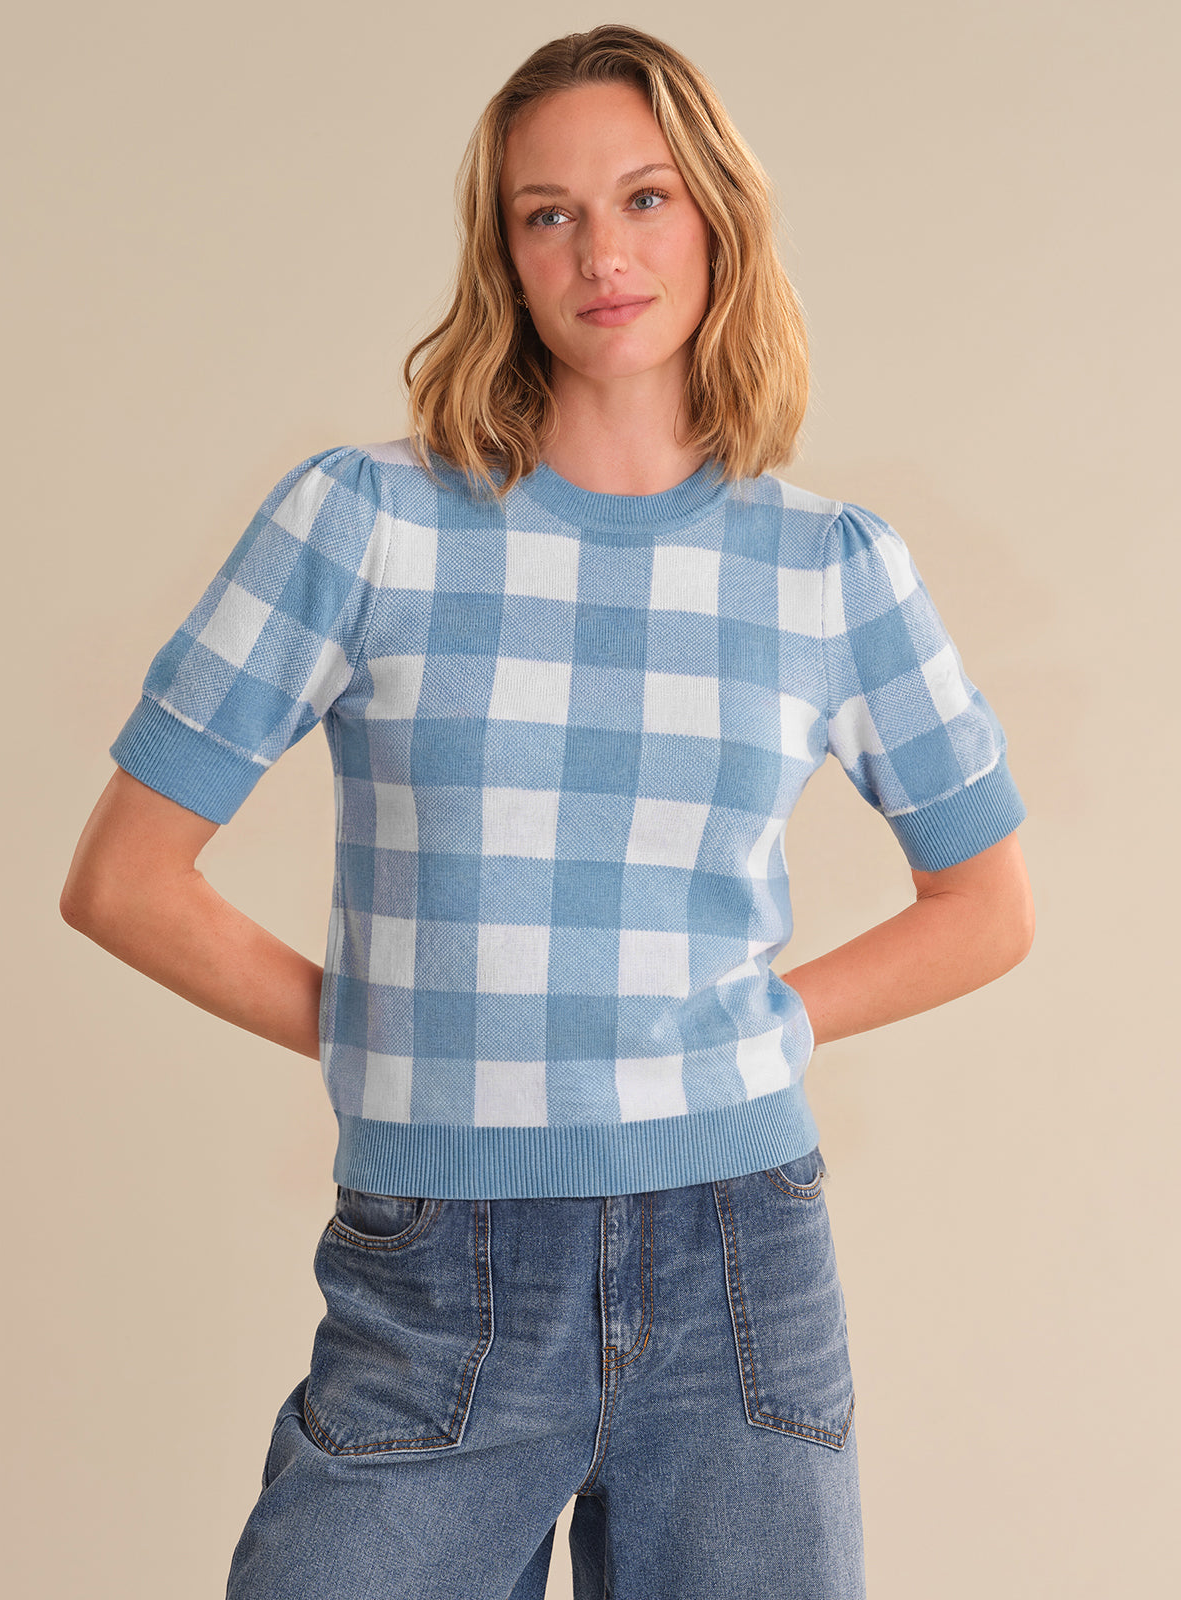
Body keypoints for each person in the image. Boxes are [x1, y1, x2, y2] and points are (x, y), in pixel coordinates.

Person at [60, 23, 1033, 1600]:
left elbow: (987, 906)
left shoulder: (830, 567)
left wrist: (755, 1022)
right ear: (502, 252)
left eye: (645, 198)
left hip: (738, 1265)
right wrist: (412, 1032)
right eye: (549, 213)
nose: (603, 253)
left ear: (718, 216)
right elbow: (124, 880)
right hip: (435, 1276)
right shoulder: (361, 523)